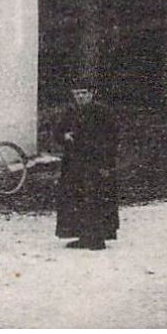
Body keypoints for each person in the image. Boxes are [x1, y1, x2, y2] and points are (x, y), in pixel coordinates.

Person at [55, 84, 120, 249]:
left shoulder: (102, 113)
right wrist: (64, 136)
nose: (80, 97)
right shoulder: (70, 112)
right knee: (76, 198)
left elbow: (112, 138)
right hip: (74, 164)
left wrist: (106, 163)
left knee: (96, 198)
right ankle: (82, 236)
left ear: (92, 94)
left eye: (84, 93)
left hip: (96, 162)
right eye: (76, 93)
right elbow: (57, 132)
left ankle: (98, 238)